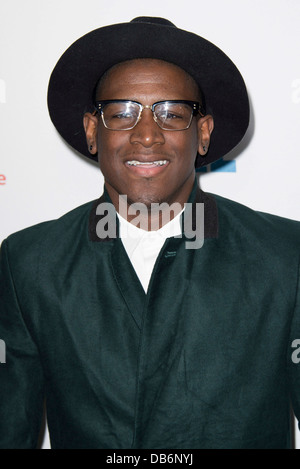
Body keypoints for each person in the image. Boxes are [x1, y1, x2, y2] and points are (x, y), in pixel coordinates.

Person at [0, 16, 299, 450]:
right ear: (91, 131)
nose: (146, 135)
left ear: (203, 134)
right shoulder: (29, 263)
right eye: (121, 113)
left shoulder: (284, 258)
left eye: (172, 113)